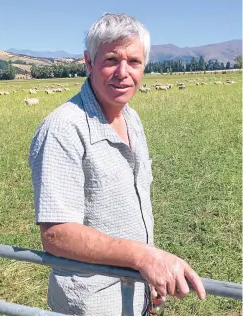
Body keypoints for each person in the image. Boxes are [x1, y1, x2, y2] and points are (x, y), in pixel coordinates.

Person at [29, 13, 206, 316]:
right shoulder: (63, 128)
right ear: (89, 63)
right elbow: (57, 235)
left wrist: (146, 267)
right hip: (92, 305)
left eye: (134, 62)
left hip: (136, 294)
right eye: (111, 59)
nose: (123, 72)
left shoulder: (131, 119)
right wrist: (142, 257)